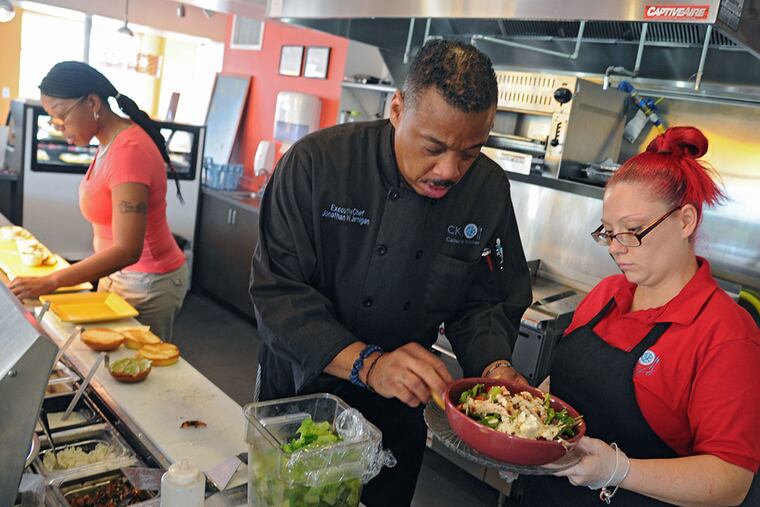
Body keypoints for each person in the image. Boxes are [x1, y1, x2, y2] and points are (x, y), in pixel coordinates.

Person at [251, 40, 532, 506]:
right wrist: (368, 364)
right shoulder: (317, 165)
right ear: (397, 108)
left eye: (470, 152)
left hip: (397, 410)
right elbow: (278, 294)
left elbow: (484, 301)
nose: (449, 170)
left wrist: (493, 368)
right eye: (434, 147)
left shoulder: (486, 190)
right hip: (302, 393)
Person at [518, 127, 760, 506]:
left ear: (685, 221)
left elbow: (731, 481)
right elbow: (561, 386)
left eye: (632, 231)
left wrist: (618, 469)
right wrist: (523, 430)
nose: (616, 249)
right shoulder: (606, 294)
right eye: (609, 233)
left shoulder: (725, 333)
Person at [9, 61, 188, 341]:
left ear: (92, 102)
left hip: (147, 282)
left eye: (61, 116)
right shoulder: (110, 142)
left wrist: (52, 281)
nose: (59, 128)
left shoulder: (129, 150)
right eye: (53, 120)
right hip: (119, 277)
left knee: (134, 371)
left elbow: (128, 249)